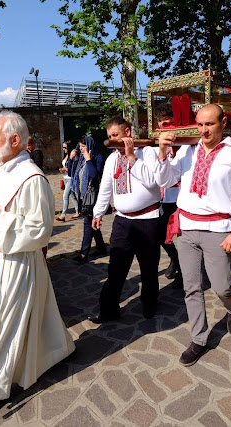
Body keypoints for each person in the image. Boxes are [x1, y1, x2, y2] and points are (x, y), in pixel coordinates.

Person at [0, 111, 74, 420]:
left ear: (15, 139)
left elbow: (40, 229)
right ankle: (58, 350)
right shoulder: (3, 171)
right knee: (29, 319)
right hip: (1, 257)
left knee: (6, 326)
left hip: (19, 261)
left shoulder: (32, 177)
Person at [156, 104, 231, 366]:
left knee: (222, 286)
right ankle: (199, 339)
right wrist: (162, 151)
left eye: (210, 124)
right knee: (191, 288)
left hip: (219, 230)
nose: (204, 130)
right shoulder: (187, 151)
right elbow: (165, 180)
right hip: (187, 227)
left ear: (223, 122)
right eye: (200, 124)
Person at [89, 116, 162, 323]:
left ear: (128, 132)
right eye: (109, 136)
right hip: (122, 221)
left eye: (115, 135)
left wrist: (131, 157)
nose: (112, 140)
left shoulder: (148, 151)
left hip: (147, 219)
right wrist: (98, 212)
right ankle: (108, 309)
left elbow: (152, 181)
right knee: (116, 268)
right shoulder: (112, 158)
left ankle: (149, 303)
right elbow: (106, 187)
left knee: (148, 267)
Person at [155, 102, 183, 288]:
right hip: (163, 199)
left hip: (180, 199)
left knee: (182, 239)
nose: (166, 129)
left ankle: (184, 274)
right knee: (160, 235)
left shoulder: (184, 144)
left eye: (169, 123)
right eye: (162, 125)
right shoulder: (155, 145)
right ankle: (175, 259)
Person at [72, 136, 107, 263]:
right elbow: (72, 173)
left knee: (87, 224)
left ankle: (84, 253)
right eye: (80, 146)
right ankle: (101, 247)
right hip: (83, 196)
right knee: (92, 223)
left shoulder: (98, 158)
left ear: (90, 146)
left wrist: (88, 159)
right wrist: (72, 159)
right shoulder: (81, 160)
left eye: (83, 146)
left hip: (93, 197)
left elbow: (94, 175)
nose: (81, 149)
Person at [56, 141, 80, 222]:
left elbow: (74, 168)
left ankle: (63, 215)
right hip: (66, 178)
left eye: (65, 147)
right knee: (72, 196)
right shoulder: (66, 155)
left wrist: (65, 169)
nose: (63, 149)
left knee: (65, 196)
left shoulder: (73, 156)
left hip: (70, 179)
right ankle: (78, 211)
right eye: (63, 147)